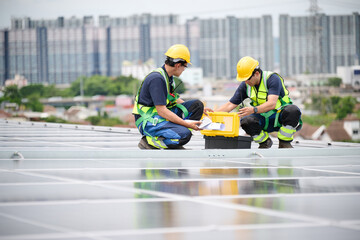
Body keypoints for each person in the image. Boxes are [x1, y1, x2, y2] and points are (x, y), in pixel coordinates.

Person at [214, 56, 302, 148]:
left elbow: (272, 103)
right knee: (246, 121)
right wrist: (211, 115)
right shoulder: (246, 85)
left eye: (247, 78)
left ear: (256, 73)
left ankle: (284, 142)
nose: (245, 82)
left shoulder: (272, 79)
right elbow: (230, 105)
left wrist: (253, 110)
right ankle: (264, 142)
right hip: (263, 119)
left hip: (279, 116)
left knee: (293, 110)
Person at [132, 44, 204, 149]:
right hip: (148, 121)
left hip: (158, 115)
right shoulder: (157, 79)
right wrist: (186, 124)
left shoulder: (167, 77)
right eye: (185, 66)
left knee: (197, 106)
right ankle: (150, 141)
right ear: (178, 65)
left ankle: (174, 135)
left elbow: (173, 98)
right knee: (184, 135)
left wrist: (202, 110)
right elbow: (162, 111)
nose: (184, 69)